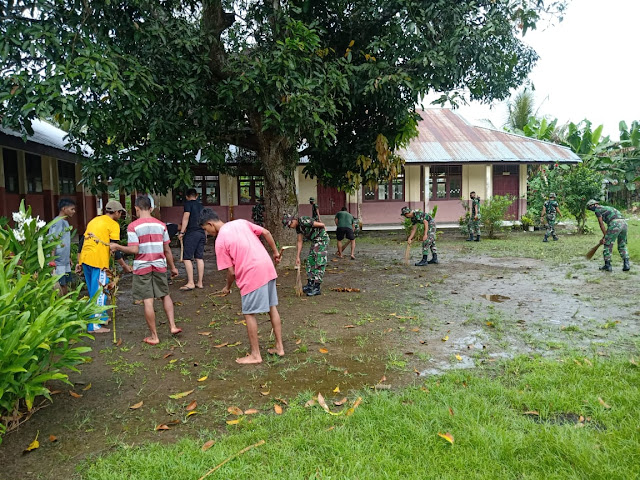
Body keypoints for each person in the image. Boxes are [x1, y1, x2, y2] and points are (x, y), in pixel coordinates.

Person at [199, 208, 284, 364]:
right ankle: (280, 347)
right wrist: (275, 252)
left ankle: (255, 355)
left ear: (211, 224)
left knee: (249, 313)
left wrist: (227, 287)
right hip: (267, 266)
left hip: (252, 274)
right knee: (272, 307)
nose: (208, 233)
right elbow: (266, 232)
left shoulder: (220, 241)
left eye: (206, 229)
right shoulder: (241, 222)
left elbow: (231, 272)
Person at [111, 196, 181, 345]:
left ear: (136, 208)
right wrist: (173, 268)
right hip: (159, 264)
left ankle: (154, 336)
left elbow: (134, 249)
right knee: (165, 295)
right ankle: (173, 326)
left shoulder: (133, 226)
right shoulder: (161, 225)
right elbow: (167, 250)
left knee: (148, 300)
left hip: (142, 266)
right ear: (151, 208)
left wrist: (117, 247)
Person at [75, 200, 126, 333]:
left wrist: (79, 262)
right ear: (115, 212)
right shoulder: (113, 225)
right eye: (120, 212)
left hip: (86, 259)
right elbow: (115, 248)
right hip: (99, 261)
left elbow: (82, 242)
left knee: (93, 290)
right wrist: (124, 265)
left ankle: (102, 317)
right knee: (100, 292)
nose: (120, 214)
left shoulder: (94, 221)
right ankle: (94, 326)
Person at [282, 213, 329, 296]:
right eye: (288, 226)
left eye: (290, 224)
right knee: (310, 261)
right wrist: (297, 256)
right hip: (315, 241)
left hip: (321, 239)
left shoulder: (303, 220)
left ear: (293, 220)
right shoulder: (298, 228)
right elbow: (300, 241)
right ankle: (310, 284)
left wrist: (324, 234)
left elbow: (322, 225)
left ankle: (316, 287)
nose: (290, 227)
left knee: (319, 261)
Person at [586, 199, 630, 272]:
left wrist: (605, 236)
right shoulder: (606, 207)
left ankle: (607, 265)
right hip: (624, 223)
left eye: (590, 208)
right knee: (622, 245)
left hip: (615, 223)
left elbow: (601, 224)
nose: (591, 209)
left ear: (594, 205)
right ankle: (626, 264)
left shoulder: (597, 210)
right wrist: (605, 236)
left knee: (607, 244)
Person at [178, 188, 205, 290]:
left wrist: (182, 232)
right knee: (199, 257)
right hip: (201, 232)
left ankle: (191, 282)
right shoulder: (201, 206)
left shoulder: (188, 204)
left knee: (187, 258)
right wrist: (205, 234)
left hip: (192, 233)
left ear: (187, 197)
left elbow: (186, 217)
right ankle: (200, 283)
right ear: (197, 196)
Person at [48, 198, 76, 295]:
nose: (74, 211)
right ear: (64, 209)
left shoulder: (65, 222)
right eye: (72, 209)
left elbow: (64, 241)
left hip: (64, 261)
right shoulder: (58, 222)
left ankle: (67, 306)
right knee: (61, 284)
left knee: (65, 283)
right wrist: (52, 260)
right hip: (58, 262)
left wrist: (68, 258)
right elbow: (53, 241)